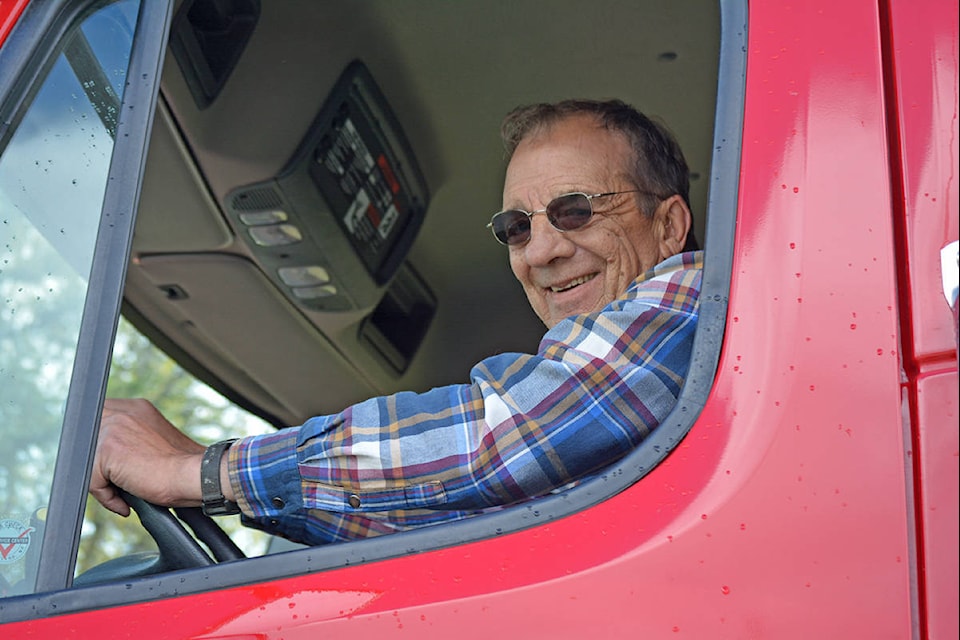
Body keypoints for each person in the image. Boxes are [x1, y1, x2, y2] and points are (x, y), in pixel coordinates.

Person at [91, 99, 703, 545]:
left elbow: (500, 439)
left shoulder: (692, 298)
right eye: (517, 227)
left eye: (574, 211)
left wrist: (198, 471)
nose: (539, 251)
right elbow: (434, 515)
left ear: (669, 227)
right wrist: (221, 478)